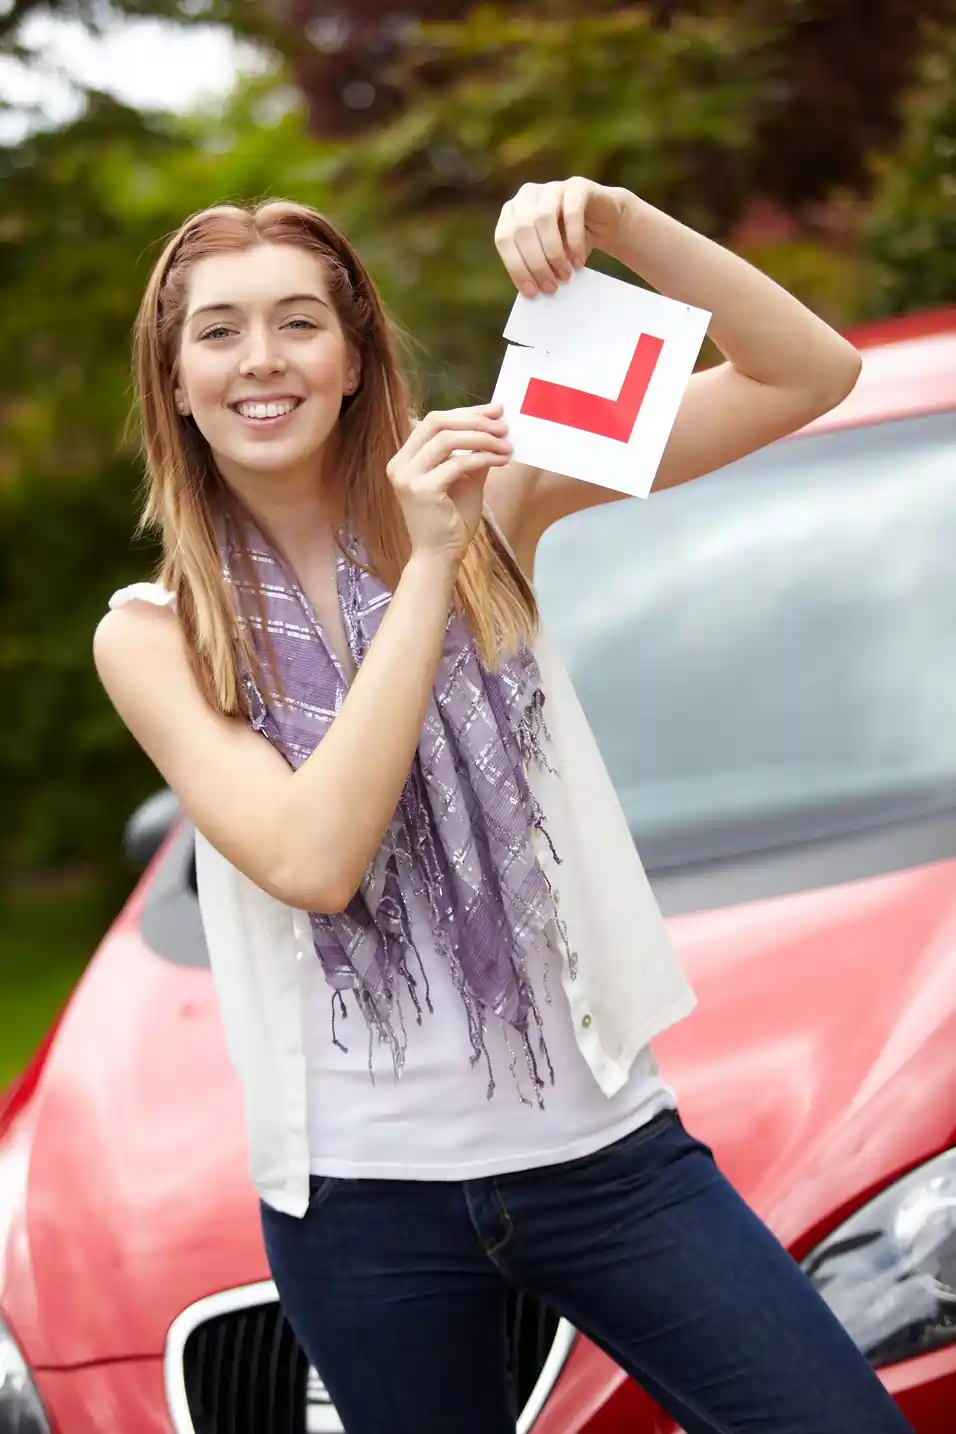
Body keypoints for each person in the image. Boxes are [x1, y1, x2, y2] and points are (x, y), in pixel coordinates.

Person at [93, 176, 910, 1434]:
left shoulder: (499, 485)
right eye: (219, 330)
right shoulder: (157, 636)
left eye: (301, 321)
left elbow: (804, 375)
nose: (263, 359)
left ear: (358, 355)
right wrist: (426, 564)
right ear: (176, 376)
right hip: (362, 1207)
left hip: (608, 1162)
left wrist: (622, 224)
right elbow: (315, 856)